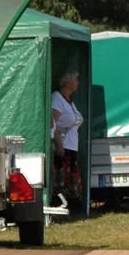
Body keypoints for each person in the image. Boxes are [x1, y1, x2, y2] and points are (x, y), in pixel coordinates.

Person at [51, 71, 84, 202]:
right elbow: (53, 124)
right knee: (61, 179)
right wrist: (59, 145)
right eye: (75, 80)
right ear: (67, 82)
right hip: (63, 147)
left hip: (72, 146)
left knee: (72, 179)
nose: (78, 83)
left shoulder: (70, 101)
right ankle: (59, 205)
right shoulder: (57, 98)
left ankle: (71, 206)